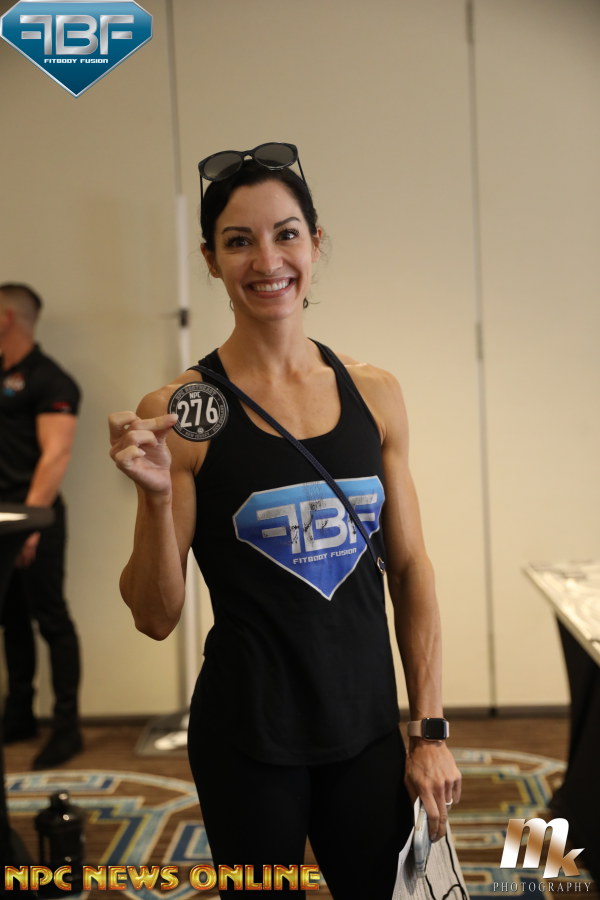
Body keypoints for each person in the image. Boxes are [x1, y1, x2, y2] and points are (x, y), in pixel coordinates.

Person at [109, 143, 461, 898]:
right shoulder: (182, 411)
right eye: (239, 240)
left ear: (315, 243)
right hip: (247, 738)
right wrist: (156, 498)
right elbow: (154, 617)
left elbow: (410, 570)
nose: (267, 260)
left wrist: (429, 730)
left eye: (286, 233)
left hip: (367, 729)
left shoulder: (374, 392)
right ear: (211, 260)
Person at [0, 283, 82, 769]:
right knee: (10, 618)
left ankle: (67, 728)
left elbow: (56, 455)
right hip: (3, 518)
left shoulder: (51, 380)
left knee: (50, 619)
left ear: (7, 318)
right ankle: (19, 715)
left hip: (37, 518)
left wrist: (30, 526)